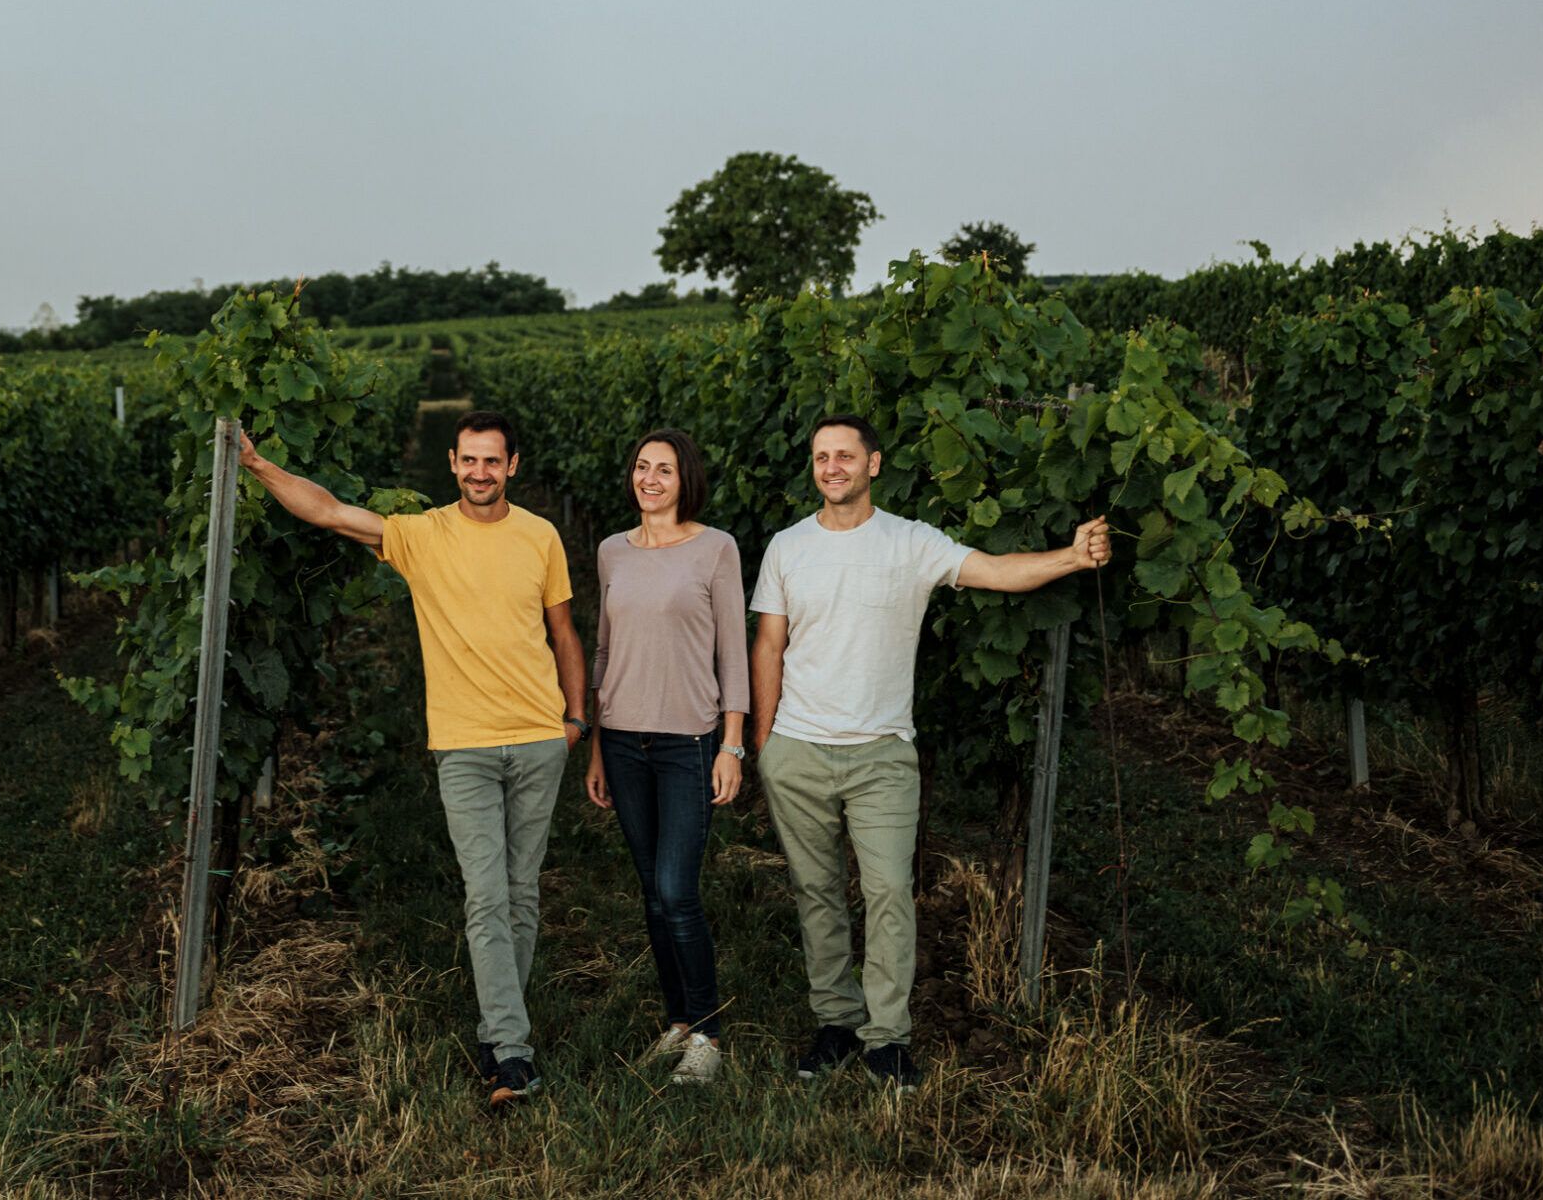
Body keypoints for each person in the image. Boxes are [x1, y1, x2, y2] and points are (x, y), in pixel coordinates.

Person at [237, 409, 586, 1107]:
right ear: (452, 464)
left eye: (493, 461)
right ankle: (512, 1053)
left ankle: (498, 1027)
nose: (480, 473)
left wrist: (576, 719)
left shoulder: (541, 536)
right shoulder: (422, 535)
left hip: (541, 737)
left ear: (512, 466)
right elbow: (331, 511)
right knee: (486, 895)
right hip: (464, 744)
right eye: (469, 461)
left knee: (522, 895)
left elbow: (564, 631)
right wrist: (256, 466)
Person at [750, 414, 1109, 1090]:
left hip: (883, 753)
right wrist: (765, 745)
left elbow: (996, 570)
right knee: (816, 891)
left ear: (874, 464)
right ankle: (835, 1020)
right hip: (798, 750)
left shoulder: (910, 543)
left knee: (888, 892)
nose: (832, 467)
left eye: (845, 456)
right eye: (822, 456)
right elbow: (769, 644)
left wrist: (1071, 555)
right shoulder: (786, 547)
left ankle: (885, 1036)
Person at [582, 429, 750, 1085]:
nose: (650, 478)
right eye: (643, 467)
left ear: (686, 480)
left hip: (688, 741)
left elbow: (733, 650)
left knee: (679, 889)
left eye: (666, 469)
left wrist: (732, 743)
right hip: (623, 741)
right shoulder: (611, 552)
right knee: (653, 891)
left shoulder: (715, 549)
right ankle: (678, 1020)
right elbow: (604, 651)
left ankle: (708, 1031)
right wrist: (597, 742)